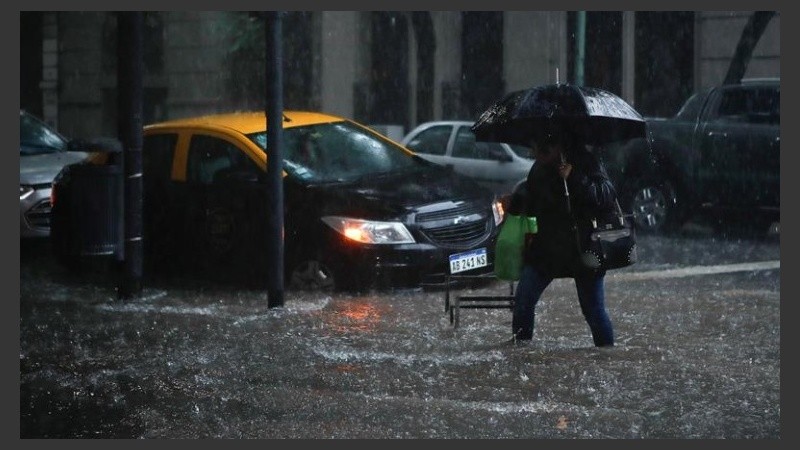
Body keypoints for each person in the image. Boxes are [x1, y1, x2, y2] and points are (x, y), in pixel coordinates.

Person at [508, 128, 618, 347]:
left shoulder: (585, 162)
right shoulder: (539, 169)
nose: (535, 155)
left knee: (594, 311)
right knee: (523, 302)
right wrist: (513, 205)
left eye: (541, 150)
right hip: (547, 251)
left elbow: (606, 195)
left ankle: (607, 355)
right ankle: (520, 353)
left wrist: (574, 178)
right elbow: (531, 201)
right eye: (535, 150)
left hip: (584, 249)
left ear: (558, 147)